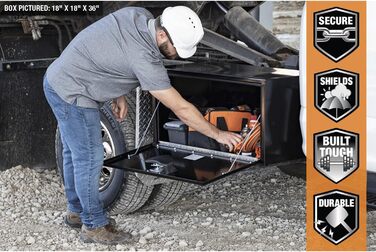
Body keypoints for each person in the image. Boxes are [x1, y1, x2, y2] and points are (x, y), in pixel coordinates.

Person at [43, 6, 242, 245]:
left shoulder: (138, 15)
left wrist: (118, 93)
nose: (177, 55)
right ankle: (93, 226)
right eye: (176, 49)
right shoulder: (145, 58)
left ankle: (76, 212)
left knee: (72, 151)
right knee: (89, 156)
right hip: (71, 91)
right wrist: (218, 133)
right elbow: (182, 109)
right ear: (161, 35)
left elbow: (109, 46)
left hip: (58, 77)